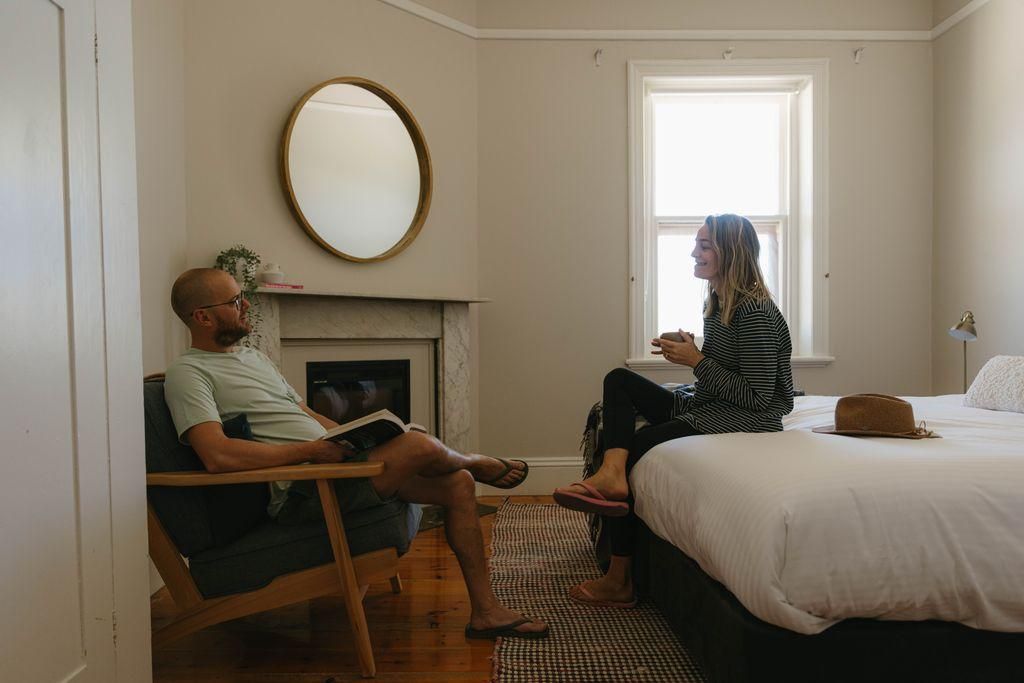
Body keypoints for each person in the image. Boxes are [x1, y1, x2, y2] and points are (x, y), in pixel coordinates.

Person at [163, 267, 548, 640]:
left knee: (456, 482)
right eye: (234, 300)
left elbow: (306, 414)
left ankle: (485, 612)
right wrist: (312, 452)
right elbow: (217, 455)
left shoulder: (254, 358)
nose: (246, 306)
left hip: (332, 469)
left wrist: (352, 437)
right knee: (420, 446)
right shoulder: (189, 373)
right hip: (303, 490)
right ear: (203, 316)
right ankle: (477, 460)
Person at [553, 213, 794, 608]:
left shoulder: (756, 314)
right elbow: (727, 365)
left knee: (641, 442)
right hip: (709, 403)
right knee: (619, 379)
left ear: (730, 253)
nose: (694, 253)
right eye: (696, 244)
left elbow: (758, 399)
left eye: (705, 246)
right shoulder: (717, 302)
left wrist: (696, 360)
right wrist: (692, 346)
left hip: (746, 420)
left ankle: (620, 580)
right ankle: (611, 474)